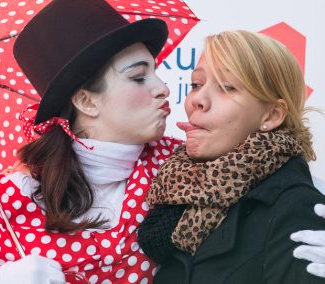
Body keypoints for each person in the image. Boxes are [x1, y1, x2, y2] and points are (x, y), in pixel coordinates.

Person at [0, 0, 180, 283]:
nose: (163, 89)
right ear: (86, 101)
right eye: (138, 77)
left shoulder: (178, 165)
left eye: (157, 72)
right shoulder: (6, 200)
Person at [137, 30, 325, 284]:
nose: (197, 100)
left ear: (271, 116)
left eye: (227, 87)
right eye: (196, 84)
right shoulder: (174, 190)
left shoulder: (296, 207)